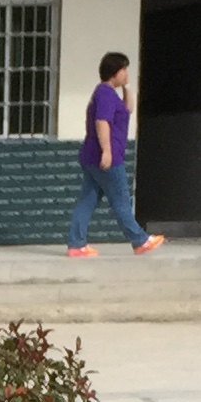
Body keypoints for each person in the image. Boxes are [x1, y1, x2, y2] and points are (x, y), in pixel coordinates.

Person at [66, 49, 164, 259]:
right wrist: (107, 152)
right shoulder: (105, 94)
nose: (127, 73)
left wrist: (127, 86)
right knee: (121, 199)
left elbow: (128, 109)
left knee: (87, 200)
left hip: (91, 156)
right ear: (114, 72)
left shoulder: (108, 93)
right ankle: (140, 240)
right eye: (124, 70)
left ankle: (76, 244)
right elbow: (102, 122)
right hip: (105, 157)